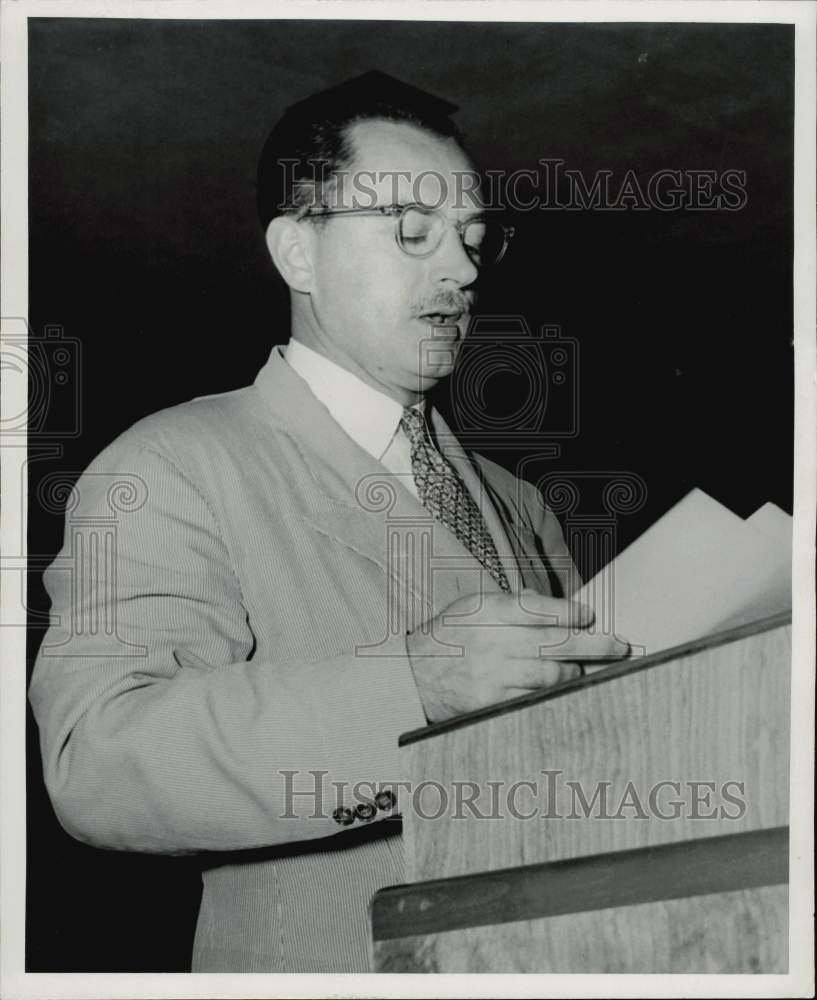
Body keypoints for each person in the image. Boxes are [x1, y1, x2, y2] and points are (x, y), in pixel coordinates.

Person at [29, 71, 627, 973]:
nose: (463, 272)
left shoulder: (522, 506)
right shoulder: (169, 465)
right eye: (412, 233)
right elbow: (98, 764)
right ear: (296, 254)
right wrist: (411, 687)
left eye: (472, 240)